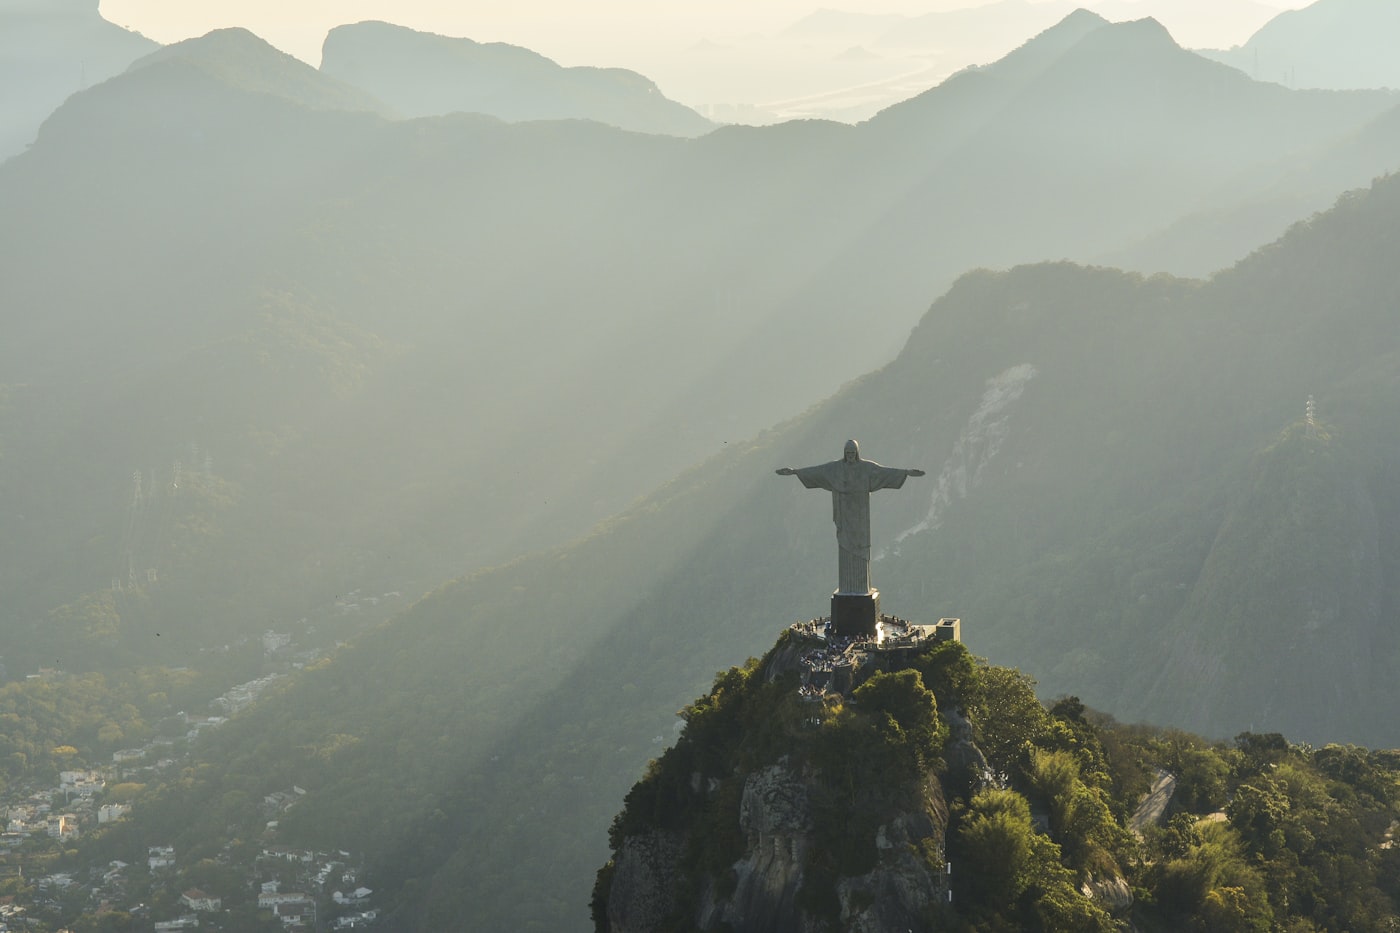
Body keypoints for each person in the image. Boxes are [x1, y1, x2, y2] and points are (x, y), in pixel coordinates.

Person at [776, 440, 924, 594]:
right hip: (844, 514)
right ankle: (847, 588)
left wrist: (906, 472)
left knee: (861, 546)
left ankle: (861, 587)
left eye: (853, 453)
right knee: (845, 545)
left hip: (860, 516)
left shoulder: (867, 468)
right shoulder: (835, 468)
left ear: (857, 453)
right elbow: (817, 471)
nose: (851, 456)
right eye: (848, 453)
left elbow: (885, 472)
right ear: (844, 454)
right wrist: (795, 472)